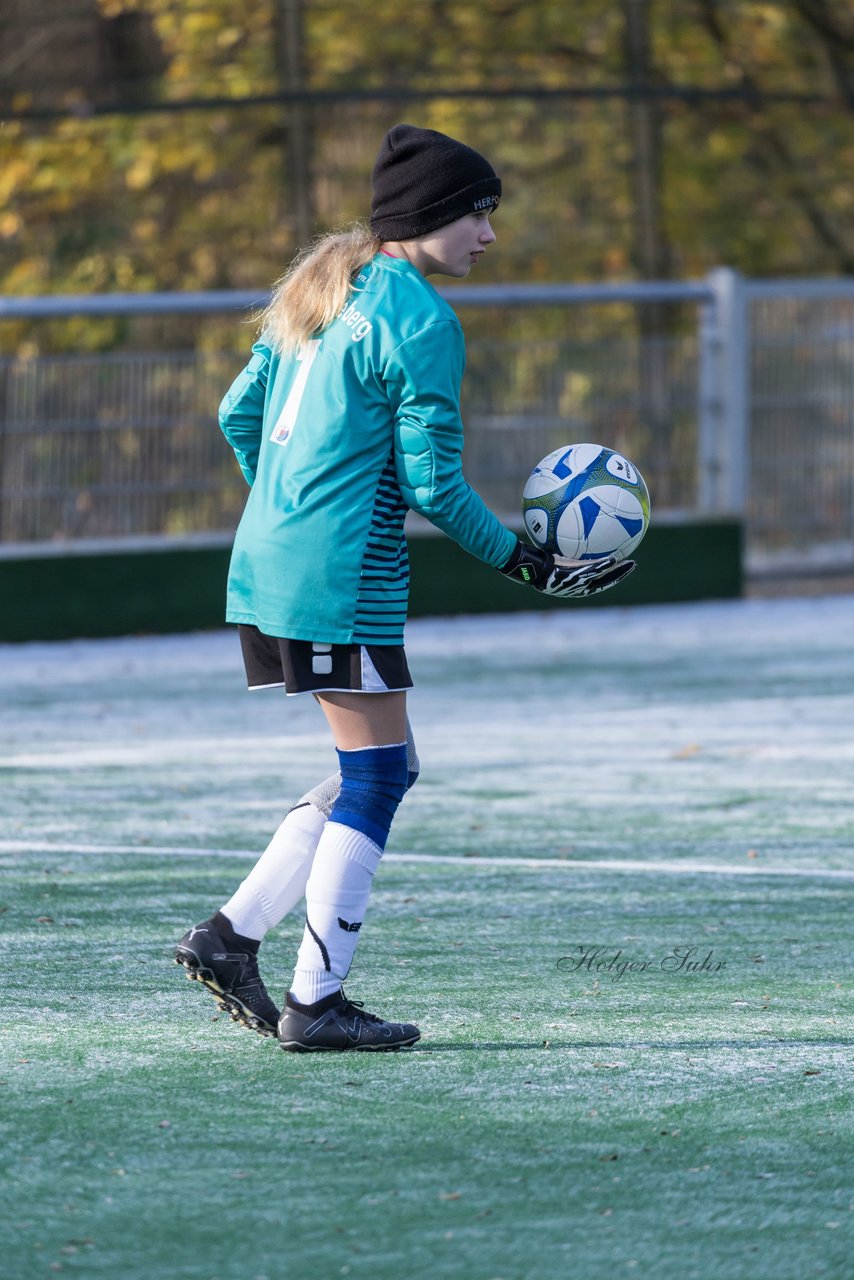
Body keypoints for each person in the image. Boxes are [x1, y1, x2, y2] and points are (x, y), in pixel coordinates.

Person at [174, 123, 634, 1054]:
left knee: (382, 767)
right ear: (429, 217)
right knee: (379, 775)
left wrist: (283, 498)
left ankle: (229, 940)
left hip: (275, 562)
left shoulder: (324, 289)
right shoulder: (419, 318)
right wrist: (527, 562)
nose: (489, 235)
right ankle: (314, 1002)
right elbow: (432, 486)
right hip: (339, 580)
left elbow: (237, 413)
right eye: (478, 212)